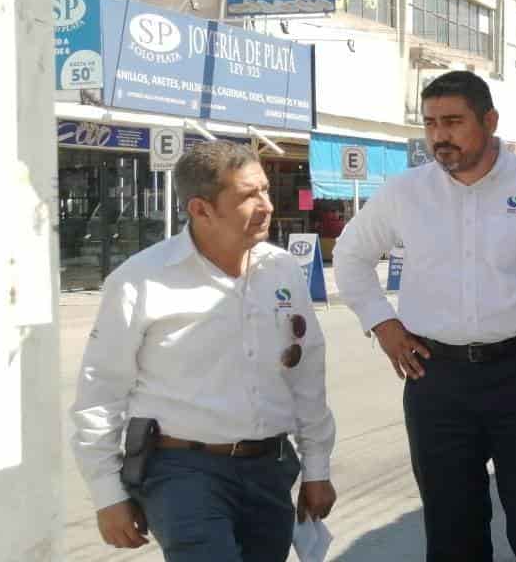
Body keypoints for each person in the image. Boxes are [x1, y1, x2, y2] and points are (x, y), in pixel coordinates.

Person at [333, 70, 516, 562]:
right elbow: (350, 255)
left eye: (453, 121)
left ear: (489, 120)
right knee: (452, 531)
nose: (440, 136)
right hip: (435, 380)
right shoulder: (406, 192)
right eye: (430, 124)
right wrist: (382, 324)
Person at [70, 141, 337, 561]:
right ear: (201, 209)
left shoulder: (282, 269)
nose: (266, 204)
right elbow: (101, 392)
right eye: (249, 195)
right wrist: (107, 494)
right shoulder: (140, 281)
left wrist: (317, 469)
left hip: (270, 467)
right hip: (183, 473)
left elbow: (306, 375)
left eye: (265, 189)